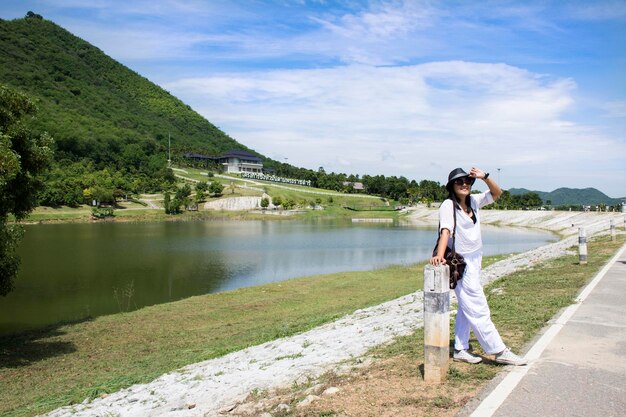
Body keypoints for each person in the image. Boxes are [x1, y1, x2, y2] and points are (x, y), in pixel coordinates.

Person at [430, 167, 527, 366]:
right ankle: (498, 350)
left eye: (467, 181)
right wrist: (439, 257)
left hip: (476, 259)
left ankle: (460, 348)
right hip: (460, 263)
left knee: (466, 307)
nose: (464, 184)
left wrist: (485, 177)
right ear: (451, 186)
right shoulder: (448, 205)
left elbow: (497, 193)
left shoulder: (473, 201)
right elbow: (445, 231)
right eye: (459, 182)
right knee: (478, 306)